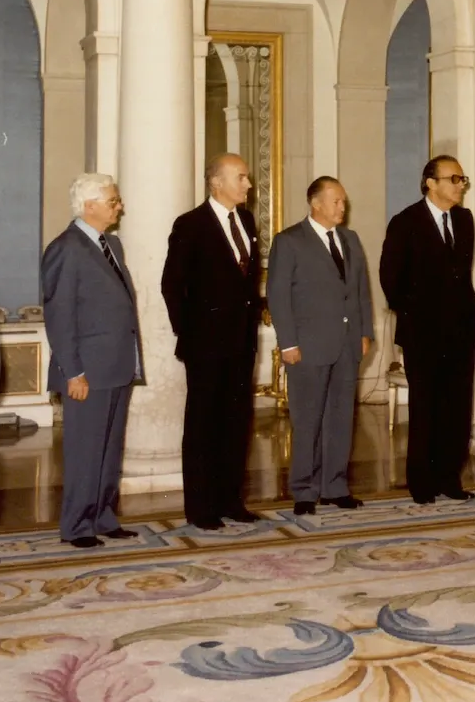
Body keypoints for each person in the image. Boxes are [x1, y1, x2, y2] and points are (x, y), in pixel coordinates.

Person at [161, 153, 263, 530]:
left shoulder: (248, 221)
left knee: (236, 423)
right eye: (242, 177)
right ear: (217, 183)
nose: (248, 185)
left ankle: (230, 501)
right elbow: (172, 285)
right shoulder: (191, 224)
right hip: (205, 346)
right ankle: (201, 508)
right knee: (203, 425)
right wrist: (190, 335)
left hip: (241, 344)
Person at [42, 173, 141, 549]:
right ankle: (77, 525)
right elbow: (60, 315)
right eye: (113, 201)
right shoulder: (65, 248)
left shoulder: (111, 244)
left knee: (110, 447)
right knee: (85, 449)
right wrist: (74, 372)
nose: (120, 207)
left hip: (116, 365)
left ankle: (102, 515)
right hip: (86, 370)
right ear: (90, 206)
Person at [267, 176, 374, 517]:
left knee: (341, 417)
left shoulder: (351, 240)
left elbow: (359, 291)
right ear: (316, 203)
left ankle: (335, 486)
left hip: (346, 345)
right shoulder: (289, 241)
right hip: (307, 346)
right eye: (336, 201)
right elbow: (279, 295)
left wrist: (365, 331)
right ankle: (303, 489)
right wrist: (288, 343)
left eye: (343, 201)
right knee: (308, 418)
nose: (343, 207)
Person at [380, 155, 475, 504]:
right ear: (430, 183)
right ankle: (421, 482)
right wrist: (419, 317)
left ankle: (449, 477)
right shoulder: (405, 222)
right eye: (453, 178)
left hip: (461, 332)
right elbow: (390, 280)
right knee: (426, 408)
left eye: (462, 179)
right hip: (423, 334)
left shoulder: (465, 220)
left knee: (457, 407)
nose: (460, 185)